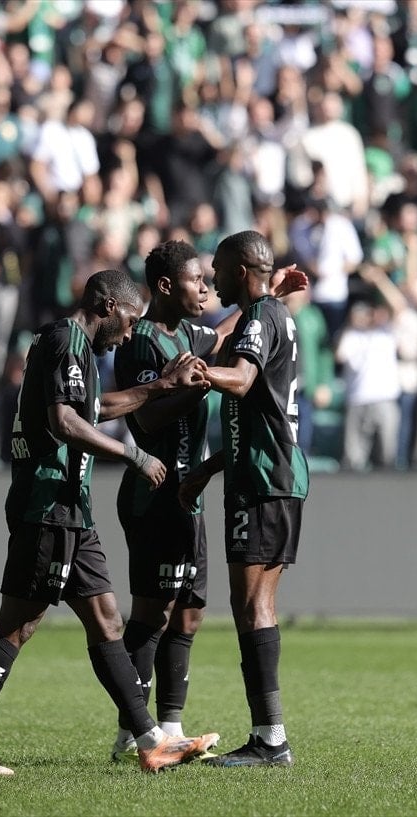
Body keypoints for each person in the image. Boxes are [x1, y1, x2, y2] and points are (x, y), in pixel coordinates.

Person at [0, 269, 219, 776]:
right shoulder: (66, 340)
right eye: (129, 320)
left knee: (107, 620)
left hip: (71, 510)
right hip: (48, 506)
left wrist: (158, 387)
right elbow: (64, 422)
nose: (129, 333)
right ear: (107, 306)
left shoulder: (74, 346)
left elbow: (95, 408)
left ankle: (151, 742)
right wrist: (133, 454)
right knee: (17, 626)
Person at [108, 240, 305, 762]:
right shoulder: (141, 341)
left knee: (190, 613)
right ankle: (133, 732)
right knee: (154, 612)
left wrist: (265, 295)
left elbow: (221, 340)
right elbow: (147, 417)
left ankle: (171, 727)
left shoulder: (193, 335)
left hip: (190, 492)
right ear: (166, 286)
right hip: (153, 491)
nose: (206, 287)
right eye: (197, 279)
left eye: (210, 276)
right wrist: (190, 382)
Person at [179, 230, 308, 767]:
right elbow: (256, 413)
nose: (212, 278)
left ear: (240, 270)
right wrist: (209, 470)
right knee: (253, 604)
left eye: (218, 269)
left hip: (263, 480)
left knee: (252, 605)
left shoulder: (261, 316)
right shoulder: (269, 314)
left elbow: (242, 379)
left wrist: (199, 373)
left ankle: (270, 740)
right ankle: (268, 736)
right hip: (268, 473)